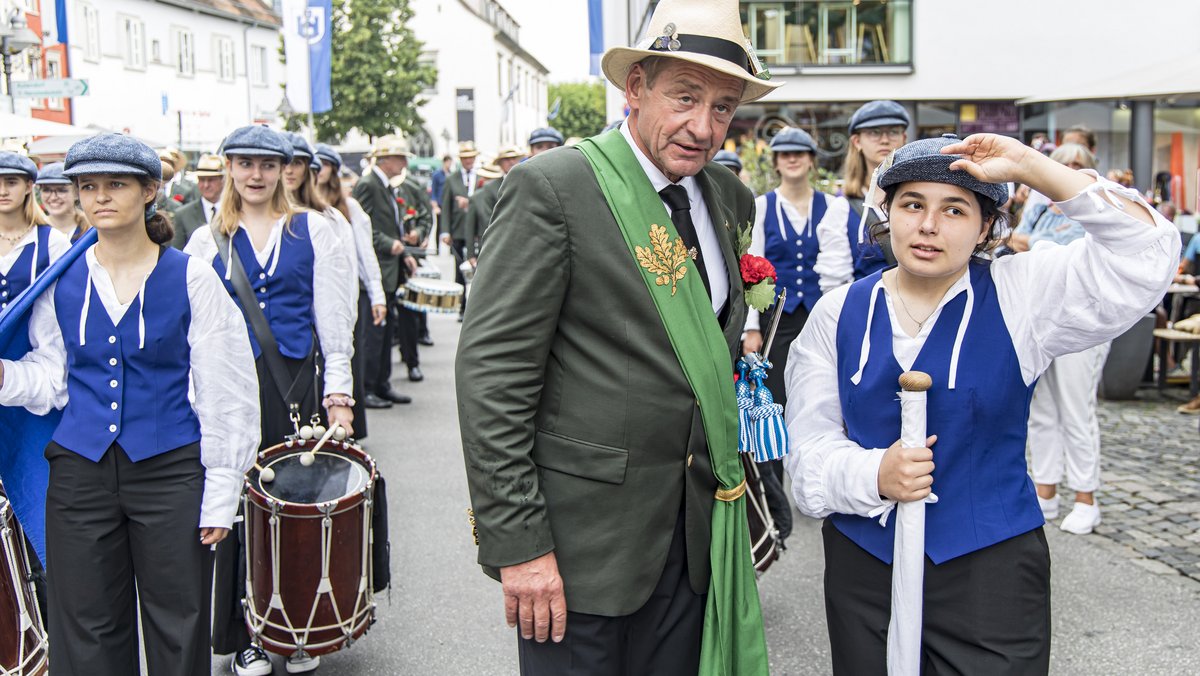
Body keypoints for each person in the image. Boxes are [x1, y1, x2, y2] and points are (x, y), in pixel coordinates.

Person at [457, 0, 781, 672]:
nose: (702, 126)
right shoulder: (554, 188)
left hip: (695, 539)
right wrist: (518, 542)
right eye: (685, 97)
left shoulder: (729, 199)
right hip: (583, 547)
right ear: (635, 89)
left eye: (723, 107)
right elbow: (493, 376)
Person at [785, 132, 1178, 674]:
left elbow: (1147, 253)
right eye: (913, 205)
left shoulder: (1025, 295)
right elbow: (807, 456)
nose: (928, 225)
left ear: (986, 227)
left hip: (991, 576)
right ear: (888, 213)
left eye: (954, 209)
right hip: (865, 571)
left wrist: (1032, 167)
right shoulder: (836, 314)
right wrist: (874, 473)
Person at [0, 133, 258, 676]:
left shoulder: (189, 275)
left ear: (149, 191)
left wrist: (221, 490)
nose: (100, 197)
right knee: (85, 626)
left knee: (177, 623)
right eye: (87, 186)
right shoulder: (61, 279)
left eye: (116, 184)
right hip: (78, 471)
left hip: (170, 470)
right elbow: (52, 381)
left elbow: (226, 390)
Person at [185, 125, 355, 676]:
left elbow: (333, 317)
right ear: (229, 167)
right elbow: (191, 329)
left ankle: (298, 623)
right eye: (244, 163)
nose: (255, 175)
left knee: (296, 504)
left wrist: (340, 396)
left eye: (266, 164)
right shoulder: (204, 240)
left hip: (294, 386)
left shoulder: (317, 230)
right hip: (228, 391)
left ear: (285, 168)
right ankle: (247, 636)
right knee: (237, 504)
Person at [741, 127, 851, 548]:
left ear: (811, 159)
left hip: (821, 314)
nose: (792, 160)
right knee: (777, 402)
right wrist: (751, 326)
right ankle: (777, 495)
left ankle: (822, 477)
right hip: (778, 320)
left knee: (822, 397)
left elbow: (840, 267)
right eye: (784, 154)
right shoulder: (762, 206)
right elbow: (752, 267)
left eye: (799, 153)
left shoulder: (833, 207)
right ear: (776, 162)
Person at [1009, 143, 1112, 533]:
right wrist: (1038, 245)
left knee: (1076, 408)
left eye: (1077, 163)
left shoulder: (1094, 206)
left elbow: (1080, 254)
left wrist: (1036, 244)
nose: (1069, 168)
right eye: (1063, 162)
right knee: (1042, 409)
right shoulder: (1038, 205)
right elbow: (1014, 241)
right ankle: (1046, 490)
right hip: (1040, 315)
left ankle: (1086, 495)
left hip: (1083, 320)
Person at [315, 142, 390, 424]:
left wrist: (377, 295)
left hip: (349, 293)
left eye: (323, 164)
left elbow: (365, 252)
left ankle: (349, 426)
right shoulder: (296, 207)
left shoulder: (348, 206)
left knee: (347, 356)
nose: (318, 170)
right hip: (317, 295)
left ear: (333, 169)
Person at [351, 135, 421, 403]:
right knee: (374, 332)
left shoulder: (385, 184)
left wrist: (402, 250)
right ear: (386, 159)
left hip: (389, 269)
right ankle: (368, 387)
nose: (404, 163)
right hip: (376, 270)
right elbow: (362, 228)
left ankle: (382, 383)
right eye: (401, 157)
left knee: (385, 328)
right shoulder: (368, 184)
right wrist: (389, 243)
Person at [840, 100, 910, 278]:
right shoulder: (841, 207)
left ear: (904, 138)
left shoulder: (922, 199)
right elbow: (835, 280)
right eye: (874, 132)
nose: (885, 140)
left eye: (893, 132)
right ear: (857, 141)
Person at [0, 153, 72, 308]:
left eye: (11, 183)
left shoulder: (52, 241)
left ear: (28, 186)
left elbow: (65, 303)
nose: (3, 191)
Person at [440, 141, 479, 320]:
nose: (469, 160)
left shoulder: (482, 177)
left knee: (479, 269)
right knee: (460, 271)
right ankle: (462, 307)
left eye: (471, 157)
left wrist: (469, 202)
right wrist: (445, 232)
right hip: (458, 231)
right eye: (465, 158)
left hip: (478, 231)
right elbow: (445, 207)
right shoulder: (452, 179)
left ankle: (477, 307)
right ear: (461, 159)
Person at [464, 146, 524, 262]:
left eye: (514, 158)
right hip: (495, 248)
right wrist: (471, 254)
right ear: (500, 163)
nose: (511, 162)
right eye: (506, 159)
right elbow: (488, 221)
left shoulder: (526, 183)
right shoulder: (490, 188)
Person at [170, 153, 225, 249]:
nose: (206, 185)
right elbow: (177, 252)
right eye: (202, 180)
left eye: (211, 180)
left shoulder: (235, 211)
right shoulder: (183, 214)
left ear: (223, 180)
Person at [34, 161, 89, 243]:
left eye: (61, 190)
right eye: (46, 190)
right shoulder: (33, 232)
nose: (53, 197)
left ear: (77, 192)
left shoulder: (91, 230)